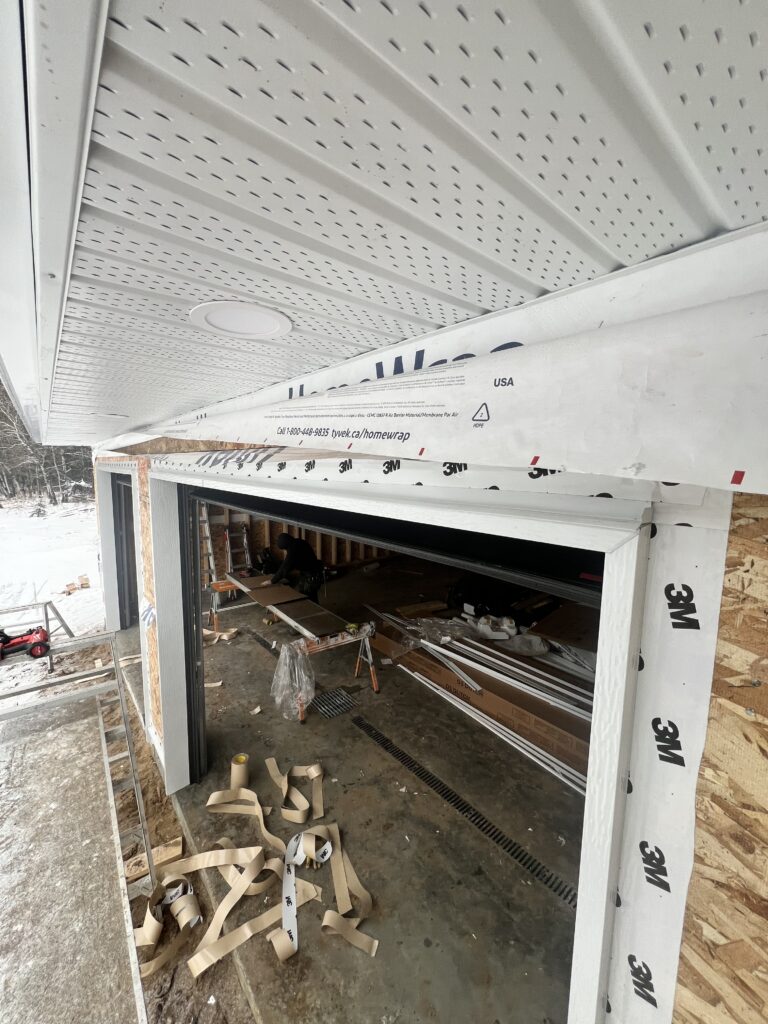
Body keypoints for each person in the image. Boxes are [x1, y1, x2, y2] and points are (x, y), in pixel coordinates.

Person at [261, 533, 324, 602]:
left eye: (285, 548)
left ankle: (314, 610)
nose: (286, 550)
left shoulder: (293, 549)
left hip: (312, 574)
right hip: (308, 572)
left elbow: (285, 567)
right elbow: (291, 563)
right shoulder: (298, 542)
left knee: (309, 594)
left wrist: (272, 581)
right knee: (304, 592)